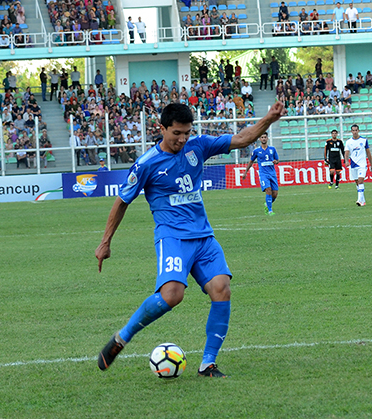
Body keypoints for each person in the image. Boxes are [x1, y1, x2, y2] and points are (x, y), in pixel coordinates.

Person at [95, 100, 286, 377]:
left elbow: (242, 138)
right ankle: (121, 338)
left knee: (222, 289)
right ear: (162, 129)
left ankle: (208, 363)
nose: (182, 139)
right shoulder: (147, 164)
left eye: (186, 132)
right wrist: (105, 242)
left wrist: (269, 118)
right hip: (172, 237)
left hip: (204, 237)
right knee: (172, 295)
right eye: (176, 133)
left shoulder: (198, 146)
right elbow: (122, 201)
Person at [245, 133, 280, 215]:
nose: (264, 139)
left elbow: (277, 160)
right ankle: (270, 210)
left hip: (272, 173)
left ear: (267, 138)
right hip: (263, 174)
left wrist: (276, 162)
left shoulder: (272, 149)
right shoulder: (256, 151)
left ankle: (267, 204)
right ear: (259, 139)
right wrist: (246, 171)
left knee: (275, 194)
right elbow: (251, 161)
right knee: (268, 190)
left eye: (265, 137)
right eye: (262, 137)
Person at [344, 124, 371, 207]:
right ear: (351, 131)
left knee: (360, 181)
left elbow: (368, 153)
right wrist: (346, 161)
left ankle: (359, 200)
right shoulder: (349, 142)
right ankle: (363, 200)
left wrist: (371, 164)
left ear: (358, 131)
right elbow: (346, 152)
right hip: (353, 164)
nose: (355, 132)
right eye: (353, 130)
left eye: (356, 130)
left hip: (362, 164)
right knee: (357, 182)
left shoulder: (364, 140)